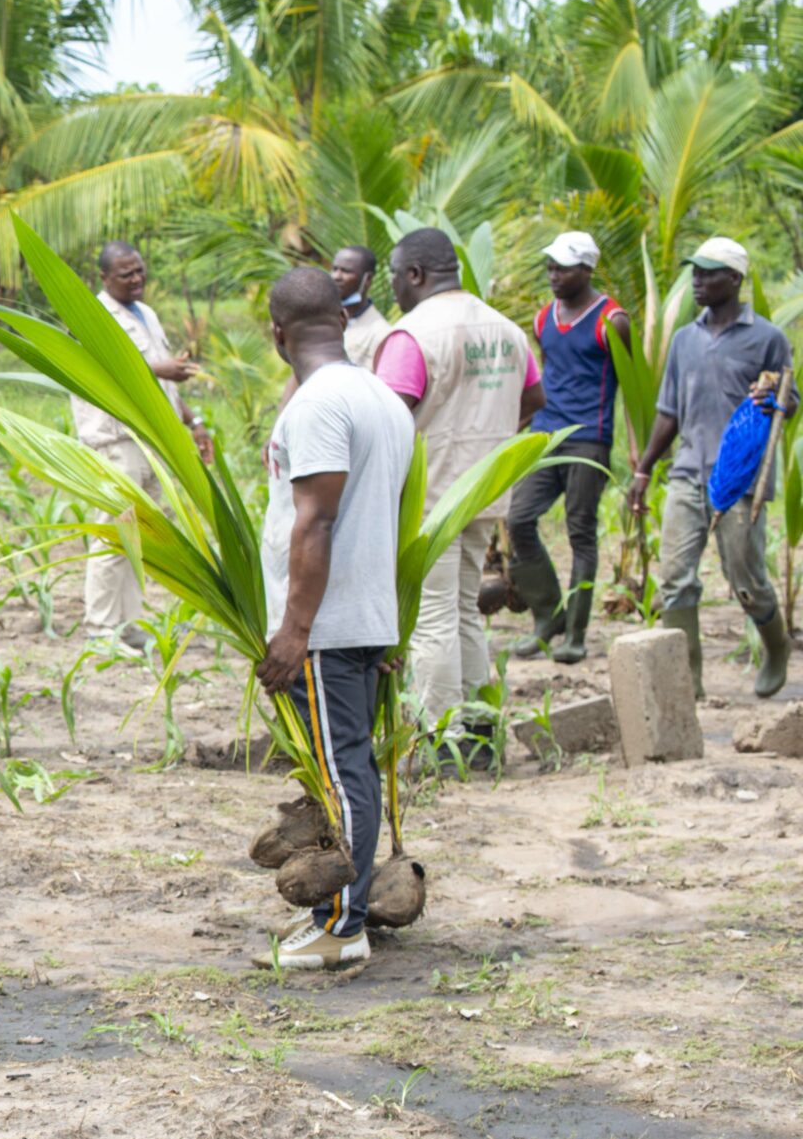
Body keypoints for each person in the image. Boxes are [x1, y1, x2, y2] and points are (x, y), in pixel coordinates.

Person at [253, 269, 415, 971]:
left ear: (277, 333)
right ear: (344, 322)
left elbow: (314, 523)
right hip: (362, 613)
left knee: (344, 772)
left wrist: (294, 629)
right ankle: (339, 917)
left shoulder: (319, 404)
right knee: (348, 769)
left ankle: (341, 926)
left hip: (327, 623)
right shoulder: (380, 397)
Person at [374, 227, 543, 743]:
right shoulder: (507, 330)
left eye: (395, 277)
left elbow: (385, 415)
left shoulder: (414, 334)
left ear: (416, 275)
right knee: (466, 608)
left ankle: (440, 738)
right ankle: (479, 728)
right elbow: (533, 400)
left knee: (431, 618)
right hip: (484, 492)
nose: (394, 289)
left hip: (428, 501)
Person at [626, 236, 792, 700]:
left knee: (745, 579)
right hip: (686, 473)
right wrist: (643, 471)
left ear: (735, 279)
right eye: (694, 272)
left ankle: (776, 647)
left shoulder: (767, 338)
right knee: (676, 579)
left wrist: (774, 399)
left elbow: (788, 402)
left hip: (739, 480)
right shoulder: (685, 339)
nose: (696, 280)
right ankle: (688, 685)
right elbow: (668, 412)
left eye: (707, 273)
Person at [72, 241, 210, 647]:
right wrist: (160, 369)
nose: (137, 279)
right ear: (104, 277)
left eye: (140, 271)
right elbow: (104, 372)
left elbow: (164, 385)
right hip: (116, 442)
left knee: (141, 537)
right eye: (126, 274)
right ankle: (100, 629)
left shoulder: (145, 314)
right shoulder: (93, 317)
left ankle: (127, 625)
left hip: (152, 441)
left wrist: (194, 422)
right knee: (114, 535)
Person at [510, 232, 629, 665]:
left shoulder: (612, 320)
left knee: (580, 532)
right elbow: (545, 377)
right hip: (546, 434)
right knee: (519, 518)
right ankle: (548, 616)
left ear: (586, 270)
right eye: (551, 267)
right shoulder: (544, 318)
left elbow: (628, 385)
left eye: (563, 268)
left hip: (588, 437)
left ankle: (575, 633)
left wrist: (635, 450)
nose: (553, 275)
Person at [330, 245, 392, 367]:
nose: (336, 276)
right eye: (335, 269)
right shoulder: (323, 320)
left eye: (346, 271)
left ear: (368, 279)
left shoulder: (379, 333)